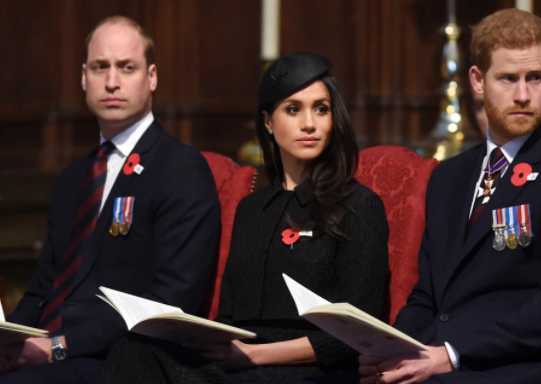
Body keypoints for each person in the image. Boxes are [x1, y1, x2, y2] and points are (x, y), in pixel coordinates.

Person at [359, 9, 541, 384]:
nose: (523, 94)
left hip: (520, 367)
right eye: (508, 79)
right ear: (478, 81)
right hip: (439, 359)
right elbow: (428, 294)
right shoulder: (449, 176)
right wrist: (394, 349)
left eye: (536, 78)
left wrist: (451, 353)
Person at [104, 53, 390, 383]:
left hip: (313, 369)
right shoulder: (252, 210)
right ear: (268, 122)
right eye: (293, 109)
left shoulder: (359, 205)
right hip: (240, 360)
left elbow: (359, 334)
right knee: (135, 349)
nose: (309, 123)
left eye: (321, 109)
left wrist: (256, 355)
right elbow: (229, 316)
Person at [0, 16, 220, 384]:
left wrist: (57, 346)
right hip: (50, 355)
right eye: (101, 67)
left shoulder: (180, 168)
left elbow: (170, 301)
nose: (112, 81)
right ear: (84, 78)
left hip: (123, 360)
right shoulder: (74, 177)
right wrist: (11, 342)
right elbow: (43, 288)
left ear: (152, 78)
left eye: (127, 68)